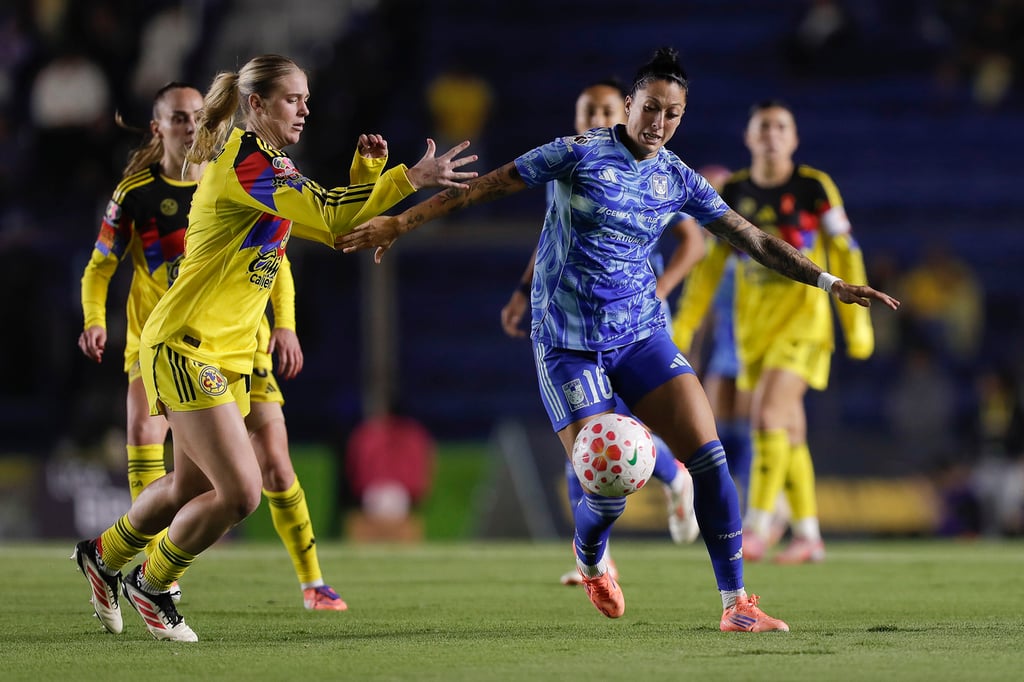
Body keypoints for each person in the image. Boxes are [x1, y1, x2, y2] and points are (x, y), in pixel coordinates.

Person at [339, 47, 899, 631]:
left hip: (640, 334)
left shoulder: (676, 177)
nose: (659, 122)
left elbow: (752, 238)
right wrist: (401, 221)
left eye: (672, 113)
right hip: (568, 342)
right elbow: (485, 187)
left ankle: (736, 605)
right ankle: (590, 558)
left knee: (710, 458)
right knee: (606, 485)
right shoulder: (577, 153)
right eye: (650, 107)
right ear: (629, 105)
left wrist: (830, 282)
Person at [72, 54, 477, 642]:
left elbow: (334, 230)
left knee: (189, 487)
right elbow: (330, 216)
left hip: (223, 353)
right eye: (293, 99)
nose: (305, 109)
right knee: (239, 492)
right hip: (186, 344)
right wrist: (407, 179)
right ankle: (153, 583)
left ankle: (101, 556)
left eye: (307, 98)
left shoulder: (269, 163)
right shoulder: (246, 161)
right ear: (256, 104)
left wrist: (367, 174)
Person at [77, 82, 375, 612]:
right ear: (158, 128)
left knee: (258, 467)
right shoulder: (146, 190)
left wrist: (285, 324)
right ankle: (153, 574)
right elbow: (101, 264)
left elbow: (283, 250)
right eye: (179, 117)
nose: (191, 125)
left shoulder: (247, 170)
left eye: (198, 114)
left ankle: (309, 581)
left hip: (242, 345)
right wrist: (95, 319)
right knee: (178, 457)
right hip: (176, 342)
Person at [499, 78, 702, 588]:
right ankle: (597, 559)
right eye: (587, 110)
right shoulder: (570, 163)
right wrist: (524, 291)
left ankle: (675, 478)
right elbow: (553, 238)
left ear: (626, 113)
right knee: (589, 443)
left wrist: (662, 289)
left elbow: (693, 241)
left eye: (605, 110)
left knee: (615, 435)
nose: (595, 119)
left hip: (636, 324)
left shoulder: (650, 167)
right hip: (576, 321)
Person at [671, 99, 879, 564]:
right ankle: (808, 535)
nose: (771, 134)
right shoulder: (734, 191)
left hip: (804, 327)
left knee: (765, 416)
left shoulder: (814, 187)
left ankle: (758, 525)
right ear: (748, 137)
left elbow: (845, 251)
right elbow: (709, 269)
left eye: (781, 127)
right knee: (790, 430)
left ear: (794, 137)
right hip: (754, 332)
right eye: (763, 127)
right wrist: (684, 325)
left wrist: (857, 325)